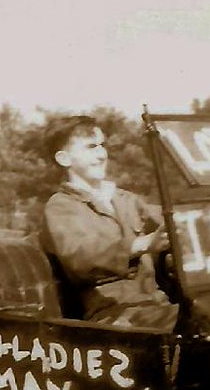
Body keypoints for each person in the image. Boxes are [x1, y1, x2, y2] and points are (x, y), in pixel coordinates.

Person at [39, 115, 178, 329]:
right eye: (91, 147)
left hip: (158, 305)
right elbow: (82, 257)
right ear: (64, 158)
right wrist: (142, 244)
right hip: (114, 317)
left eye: (102, 145)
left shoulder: (125, 199)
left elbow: (167, 222)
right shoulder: (62, 207)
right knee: (204, 323)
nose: (102, 154)